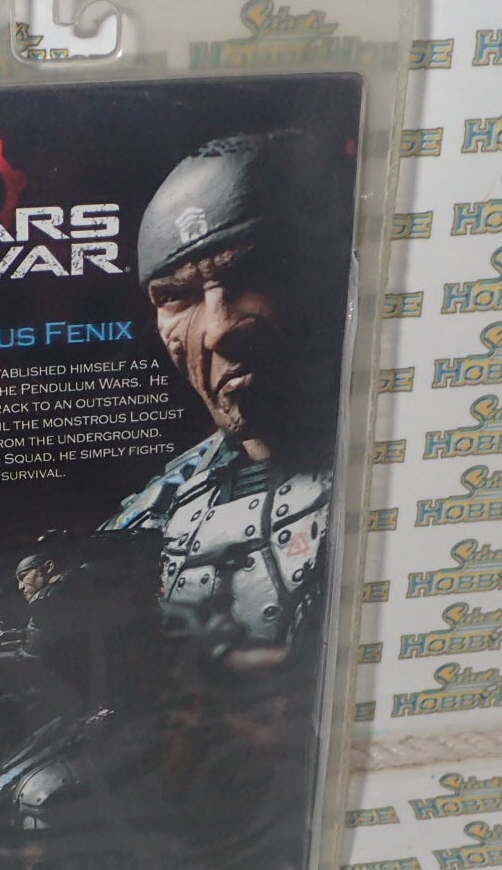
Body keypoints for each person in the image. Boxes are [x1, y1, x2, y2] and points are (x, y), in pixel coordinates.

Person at [102, 130, 353, 676]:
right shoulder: (152, 514)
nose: (217, 330)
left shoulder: (396, 484)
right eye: (177, 296)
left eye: (251, 275)